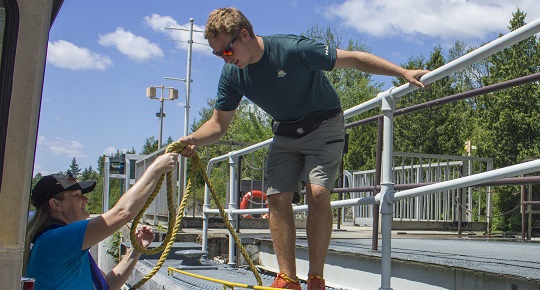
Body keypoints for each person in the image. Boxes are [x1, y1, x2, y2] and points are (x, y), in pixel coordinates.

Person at [175, 7, 428, 290]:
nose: (226, 59)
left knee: (318, 193)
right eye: (218, 54)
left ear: (244, 35)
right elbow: (218, 125)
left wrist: (402, 72)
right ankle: (288, 278)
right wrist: (192, 139)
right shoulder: (233, 75)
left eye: (226, 51)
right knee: (276, 197)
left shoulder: (292, 49)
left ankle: (316, 278)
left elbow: (355, 60)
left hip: (324, 124)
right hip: (285, 130)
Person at [25, 153, 178, 290]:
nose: (85, 199)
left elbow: (108, 284)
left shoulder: (63, 245)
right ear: (56, 204)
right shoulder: (57, 240)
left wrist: (135, 251)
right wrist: (155, 169)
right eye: (77, 195)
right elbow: (123, 213)